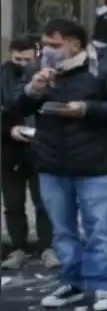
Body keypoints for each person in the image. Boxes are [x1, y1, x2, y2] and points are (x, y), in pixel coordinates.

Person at [18, 19, 107, 310]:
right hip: (51, 163)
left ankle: (101, 286)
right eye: (45, 44)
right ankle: (71, 283)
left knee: (97, 229)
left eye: (55, 45)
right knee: (62, 229)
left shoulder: (103, 68)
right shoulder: (38, 70)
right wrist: (33, 89)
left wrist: (86, 108)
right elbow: (14, 107)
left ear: (75, 44)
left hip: (92, 164)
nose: (48, 50)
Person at [0, 37, 56, 270]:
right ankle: (18, 248)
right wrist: (8, 131)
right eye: (18, 59)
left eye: (27, 59)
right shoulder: (3, 76)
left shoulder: (47, 76)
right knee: (13, 204)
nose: (23, 64)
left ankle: (48, 247)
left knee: (44, 203)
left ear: (37, 55)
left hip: (40, 148)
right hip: (10, 150)